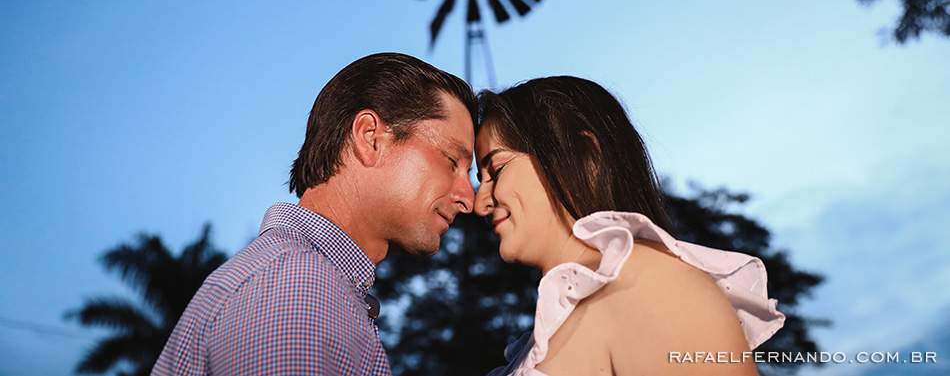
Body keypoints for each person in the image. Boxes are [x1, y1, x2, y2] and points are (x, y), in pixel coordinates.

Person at [152, 53, 477, 376]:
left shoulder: (306, 282)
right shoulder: (298, 285)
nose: (469, 198)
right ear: (370, 138)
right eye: (451, 161)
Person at [474, 76, 785, 376]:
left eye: (497, 169)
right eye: (481, 179)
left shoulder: (652, 284)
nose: (480, 203)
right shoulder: (536, 339)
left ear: (584, 155)